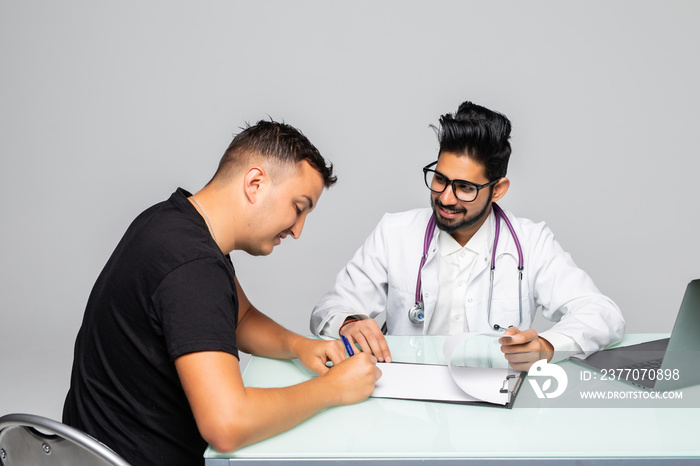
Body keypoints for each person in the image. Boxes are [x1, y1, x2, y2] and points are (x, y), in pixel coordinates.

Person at [63, 120, 381, 466]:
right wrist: (334, 388)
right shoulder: (193, 268)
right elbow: (226, 424)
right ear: (255, 183)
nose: (298, 230)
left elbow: (240, 317)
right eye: (298, 207)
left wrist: (301, 346)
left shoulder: (172, 222)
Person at [310, 100, 625, 370]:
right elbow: (329, 308)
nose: (446, 198)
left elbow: (602, 314)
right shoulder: (395, 232)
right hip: (406, 403)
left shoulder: (531, 242)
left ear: (498, 190)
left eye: (465, 188)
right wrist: (350, 322)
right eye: (440, 180)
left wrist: (546, 345)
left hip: (494, 408)